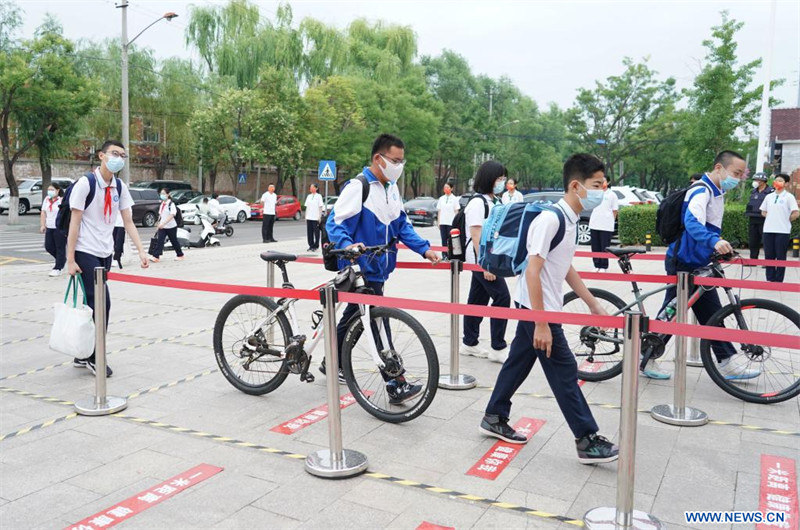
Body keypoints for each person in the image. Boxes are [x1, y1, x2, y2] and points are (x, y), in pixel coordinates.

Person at [480, 153, 619, 465]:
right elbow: (532, 271)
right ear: (575, 185)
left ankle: (493, 415)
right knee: (565, 372)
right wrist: (542, 323)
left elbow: (564, 267)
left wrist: (593, 304)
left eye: (604, 184)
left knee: (518, 362)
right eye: (596, 185)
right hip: (538, 310)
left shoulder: (569, 220)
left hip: (539, 307)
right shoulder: (551, 219)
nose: (602, 191)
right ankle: (586, 438)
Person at [324, 133, 440, 402]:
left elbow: (401, 227)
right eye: (395, 160)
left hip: (380, 268)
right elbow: (334, 224)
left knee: (353, 318)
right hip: (360, 270)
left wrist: (424, 249)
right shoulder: (358, 186)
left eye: (402, 161)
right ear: (379, 158)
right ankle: (395, 383)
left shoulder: (391, 188)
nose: (400, 166)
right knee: (378, 323)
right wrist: (349, 245)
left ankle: (331, 362)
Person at [648, 150, 760, 380]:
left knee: (709, 313)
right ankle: (645, 355)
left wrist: (717, 246)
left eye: (741, 175)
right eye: (735, 173)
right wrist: (714, 241)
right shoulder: (701, 190)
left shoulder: (716, 192)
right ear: (719, 168)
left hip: (698, 262)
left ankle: (726, 361)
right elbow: (691, 222)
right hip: (684, 262)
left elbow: (709, 227)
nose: (738, 179)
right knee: (674, 311)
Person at [66, 140, 149, 377]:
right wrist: (70, 260)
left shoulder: (120, 187)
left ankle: (82, 353)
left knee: (93, 304)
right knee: (103, 303)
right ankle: (95, 357)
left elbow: (128, 221)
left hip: (105, 252)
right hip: (85, 251)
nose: (119, 158)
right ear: (102, 155)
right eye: (115, 153)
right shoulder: (86, 183)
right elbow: (75, 222)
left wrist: (141, 251)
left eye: (122, 155)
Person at [461, 161, 511, 364]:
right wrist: (486, 265)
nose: (503, 182)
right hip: (481, 260)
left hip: (488, 258)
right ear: (489, 179)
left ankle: (469, 343)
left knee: (477, 300)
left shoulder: (493, 201)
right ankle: (497, 347)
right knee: (502, 298)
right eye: (499, 178)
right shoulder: (477, 203)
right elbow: (476, 235)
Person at [760, 174, 799, 283]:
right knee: (769, 255)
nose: (777, 182)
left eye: (780, 180)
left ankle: (778, 280)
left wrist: (786, 219)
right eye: (776, 180)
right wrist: (772, 217)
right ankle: (770, 279)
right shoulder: (769, 196)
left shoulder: (789, 197)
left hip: (782, 231)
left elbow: (796, 213)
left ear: (786, 183)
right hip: (768, 230)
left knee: (780, 256)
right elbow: (763, 211)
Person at [588, 177, 618, 272]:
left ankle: (604, 266)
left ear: (608, 182)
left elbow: (615, 210)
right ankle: (596, 264)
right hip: (594, 223)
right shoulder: (595, 193)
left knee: (604, 247)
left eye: (603, 181)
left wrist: (610, 221)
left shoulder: (612, 195)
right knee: (595, 246)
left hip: (606, 225)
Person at [148, 189, 185, 263]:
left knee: (174, 241)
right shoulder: (162, 204)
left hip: (171, 226)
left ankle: (180, 255)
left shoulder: (171, 204)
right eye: (161, 193)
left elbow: (172, 215)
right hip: (162, 227)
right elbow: (160, 215)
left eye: (164, 193)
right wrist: (158, 223)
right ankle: (156, 256)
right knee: (160, 241)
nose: (162, 195)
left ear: (168, 194)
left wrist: (164, 223)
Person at [40, 182, 66, 277]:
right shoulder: (47, 199)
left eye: (52, 190)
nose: (50, 192)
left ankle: (58, 267)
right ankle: (62, 260)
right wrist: (43, 225)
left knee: (60, 248)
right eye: (49, 190)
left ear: (58, 190)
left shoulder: (61, 200)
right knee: (49, 246)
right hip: (49, 227)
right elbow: (43, 212)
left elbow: (65, 214)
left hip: (59, 227)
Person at [746, 173, 772, 261]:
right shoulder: (753, 191)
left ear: (763, 181)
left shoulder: (770, 192)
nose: (755, 182)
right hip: (753, 218)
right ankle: (753, 260)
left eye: (757, 180)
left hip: (765, 219)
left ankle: (768, 261)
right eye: (755, 180)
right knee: (753, 240)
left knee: (766, 241)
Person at [436, 183, 459, 257]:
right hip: (443, 222)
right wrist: (438, 222)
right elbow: (439, 211)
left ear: (451, 189)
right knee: (443, 239)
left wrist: (456, 223)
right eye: (444, 187)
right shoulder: (441, 198)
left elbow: (456, 211)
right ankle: (444, 255)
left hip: (451, 222)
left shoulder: (454, 199)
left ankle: (450, 255)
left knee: (451, 240)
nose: (446, 189)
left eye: (447, 187)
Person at [304, 184, 324, 251]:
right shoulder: (309, 196)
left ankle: (316, 246)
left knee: (316, 232)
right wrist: (306, 216)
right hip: (309, 217)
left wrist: (319, 217)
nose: (311, 189)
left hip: (315, 217)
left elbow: (320, 207)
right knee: (309, 232)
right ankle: (311, 245)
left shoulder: (319, 196)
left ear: (316, 188)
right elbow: (307, 207)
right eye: (310, 187)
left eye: (312, 187)